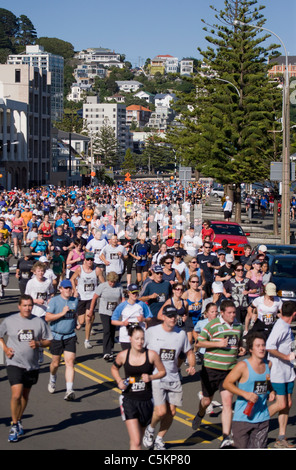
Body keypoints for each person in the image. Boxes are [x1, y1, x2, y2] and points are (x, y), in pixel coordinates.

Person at [192, 299, 245, 448]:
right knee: (207, 401)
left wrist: (241, 349)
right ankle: (200, 414)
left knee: (227, 403)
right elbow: (199, 343)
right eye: (230, 313)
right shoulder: (213, 325)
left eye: (234, 312)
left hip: (229, 370)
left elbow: (238, 343)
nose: (233, 315)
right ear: (222, 313)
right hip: (211, 369)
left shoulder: (238, 326)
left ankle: (226, 437)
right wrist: (217, 344)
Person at [142, 305, 196, 450]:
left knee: (172, 412)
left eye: (175, 316)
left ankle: (159, 438)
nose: (174, 318)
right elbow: (141, 351)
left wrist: (191, 365)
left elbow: (189, 352)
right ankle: (150, 430)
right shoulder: (152, 332)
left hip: (173, 377)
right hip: (156, 377)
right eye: (171, 316)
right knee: (161, 411)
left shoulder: (181, 334)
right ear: (164, 317)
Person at [0, 294, 52, 442]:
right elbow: (0, 335)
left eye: (30, 305)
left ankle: (19, 419)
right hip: (14, 363)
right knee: (16, 394)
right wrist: (4, 349)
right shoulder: (10, 321)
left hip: (32, 365)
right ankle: (14, 424)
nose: (28, 308)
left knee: (24, 395)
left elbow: (49, 340)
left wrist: (39, 344)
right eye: (25, 305)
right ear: (19, 306)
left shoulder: (38, 322)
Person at [111, 325, 166, 450]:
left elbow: (163, 372)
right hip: (129, 400)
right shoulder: (123, 355)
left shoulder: (151, 355)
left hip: (146, 401)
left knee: (137, 441)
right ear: (130, 339)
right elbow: (114, 368)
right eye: (137, 339)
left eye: (142, 339)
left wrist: (151, 377)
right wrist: (119, 381)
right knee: (136, 441)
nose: (140, 342)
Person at [223, 332, 276, 449]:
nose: (262, 348)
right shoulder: (243, 366)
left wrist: (271, 391)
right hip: (243, 418)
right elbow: (227, 383)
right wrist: (245, 394)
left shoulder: (269, 364)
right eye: (258, 346)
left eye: (263, 345)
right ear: (251, 349)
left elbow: (267, 381)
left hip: (262, 417)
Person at [266, 301, 296, 448]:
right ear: (294, 314)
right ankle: (251, 422)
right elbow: (269, 346)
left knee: (287, 404)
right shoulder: (280, 327)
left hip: (288, 372)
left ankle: (281, 438)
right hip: (277, 371)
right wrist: (285, 357)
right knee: (281, 403)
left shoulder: (285, 326)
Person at [45, 279, 79, 401]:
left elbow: (74, 315)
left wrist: (77, 323)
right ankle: (52, 378)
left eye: (70, 288)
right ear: (60, 289)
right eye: (66, 288)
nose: (68, 290)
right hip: (56, 336)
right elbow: (47, 317)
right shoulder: (54, 301)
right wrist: (61, 313)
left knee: (70, 362)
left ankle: (69, 390)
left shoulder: (74, 301)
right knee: (55, 363)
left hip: (70, 336)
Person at [88, 272, 124, 361]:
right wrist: (91, 310)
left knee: (112, 331)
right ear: (108, 280)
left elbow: (122, 299)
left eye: (114, 282)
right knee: (107, 330)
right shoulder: (103, 286)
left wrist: (124, 310)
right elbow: (94, 298)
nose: (112, 284)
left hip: (115, 312)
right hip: (104, 311)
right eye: (111, 282)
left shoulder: (119, 287)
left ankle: (110, 350)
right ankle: (106, 352)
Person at [71, 252, 100, 349]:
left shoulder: (97, 270)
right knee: (82, 321)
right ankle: (76, 319)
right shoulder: (79, 269)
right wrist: (75, 291)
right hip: (81, 297)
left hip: (92, 297)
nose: (90, 261)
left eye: (91, 259)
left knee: (88, 318)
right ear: (85, 260)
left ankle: (87, 340)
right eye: (88, 259)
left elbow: (103, 282)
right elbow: (72, 279)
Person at [111, 284, 153, 350]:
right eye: (133, 293)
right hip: (126, 337)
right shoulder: (122, 305)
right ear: (128, 293)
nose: (135, 295)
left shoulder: (142, 304)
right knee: (128, 358)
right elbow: (113, 321)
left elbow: (150, 319)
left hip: (139, 338)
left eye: (136, 293)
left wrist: (143, 319)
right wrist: (123, 323)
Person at [0, 231, 13, 298]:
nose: (0, 239)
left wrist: (8, 258)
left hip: (5, 267)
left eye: (1, 237)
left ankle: (2, 287)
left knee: (5, 283)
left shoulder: (6, 246)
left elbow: (11, 253)